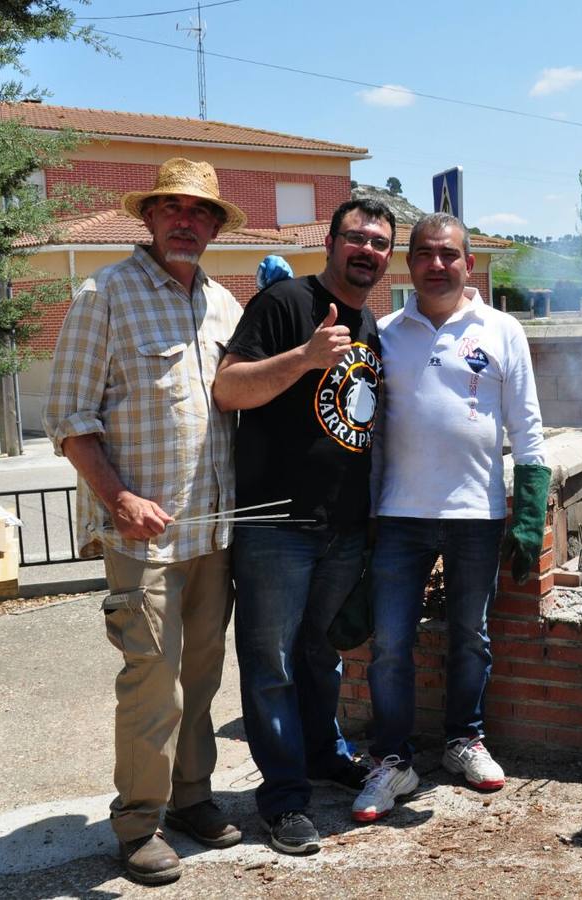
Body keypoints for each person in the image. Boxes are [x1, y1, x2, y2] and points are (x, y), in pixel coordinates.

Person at [43, 158, 247, 886]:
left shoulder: (223, 305)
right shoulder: (104, 294)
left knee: (201, 677)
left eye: (201, 212)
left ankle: (192, 798)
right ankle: (136, 825)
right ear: (150, 216)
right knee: (151, 685)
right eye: (172, 209)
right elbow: (68, 420)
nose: (186, 221)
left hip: (212, 534)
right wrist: (119, 499)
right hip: (143, 538)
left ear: (216, 227)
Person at [211, 198, 396, 855]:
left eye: (379, 243)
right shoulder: (287, 303)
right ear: (330, 241)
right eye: (357, 238)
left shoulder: (371, 321)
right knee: (272, 667)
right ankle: (283, 801)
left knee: (320, 655)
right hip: (275, 525)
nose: (367, 250)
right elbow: (228, 388)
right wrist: (305, 357)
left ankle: (323, 754)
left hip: (343, 527)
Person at [351, 213, 548, 823]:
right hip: (399, 515)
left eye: (449, 254)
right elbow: (369, 431)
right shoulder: (384, 332)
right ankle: (392, 761)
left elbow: (528, 426)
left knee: (471, 638)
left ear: (468, 262)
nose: (438, 264)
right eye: (425, 254)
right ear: (409, 263)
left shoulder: (501, 328)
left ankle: (464, 740)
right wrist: (364, 514)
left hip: (477, 514)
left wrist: (530, 515)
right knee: (389, 646)